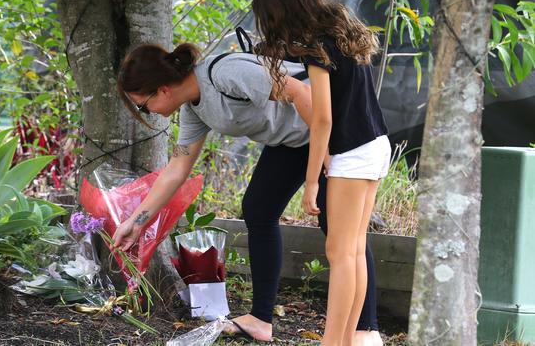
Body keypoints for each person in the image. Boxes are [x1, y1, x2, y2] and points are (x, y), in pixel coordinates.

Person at [112, 41, 380, 343]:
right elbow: (176, 170)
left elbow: (303, 93)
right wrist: (135, 223)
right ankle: (261, 320)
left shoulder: (225, 73)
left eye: (142, 105)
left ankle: (365, 331)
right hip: (292, 140)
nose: (146, 112)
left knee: (339, 227)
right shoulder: (194, 110)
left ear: (162, 89)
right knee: (259, 209)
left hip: (328, 128)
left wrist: (326, 154)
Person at [252, 0, 391, 345]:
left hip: (354, 152)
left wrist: (312, 180)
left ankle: (332, 341)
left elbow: (323, 119)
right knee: (354, 249)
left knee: (341, 252)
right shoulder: (340, 29)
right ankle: (345, 340)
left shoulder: (316, 46)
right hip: (376, 144)